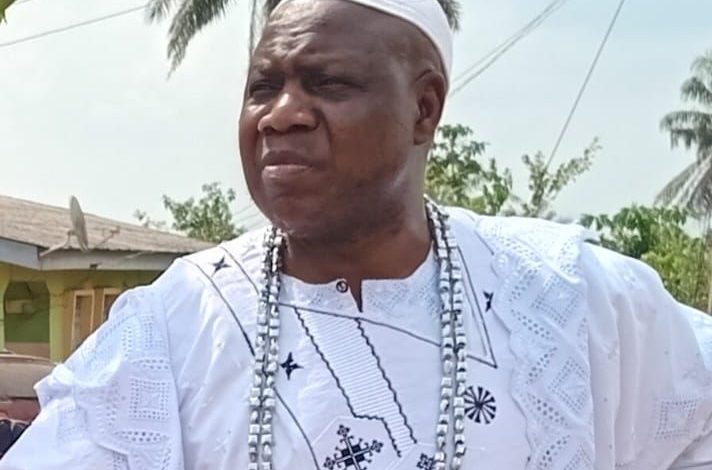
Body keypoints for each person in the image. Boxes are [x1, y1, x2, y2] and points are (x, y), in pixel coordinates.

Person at [3, 0, 712, 468]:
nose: (281, 114)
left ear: (424, 108)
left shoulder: (568, 296)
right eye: (262, 87)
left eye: (328, 83)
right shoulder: (175, 322)